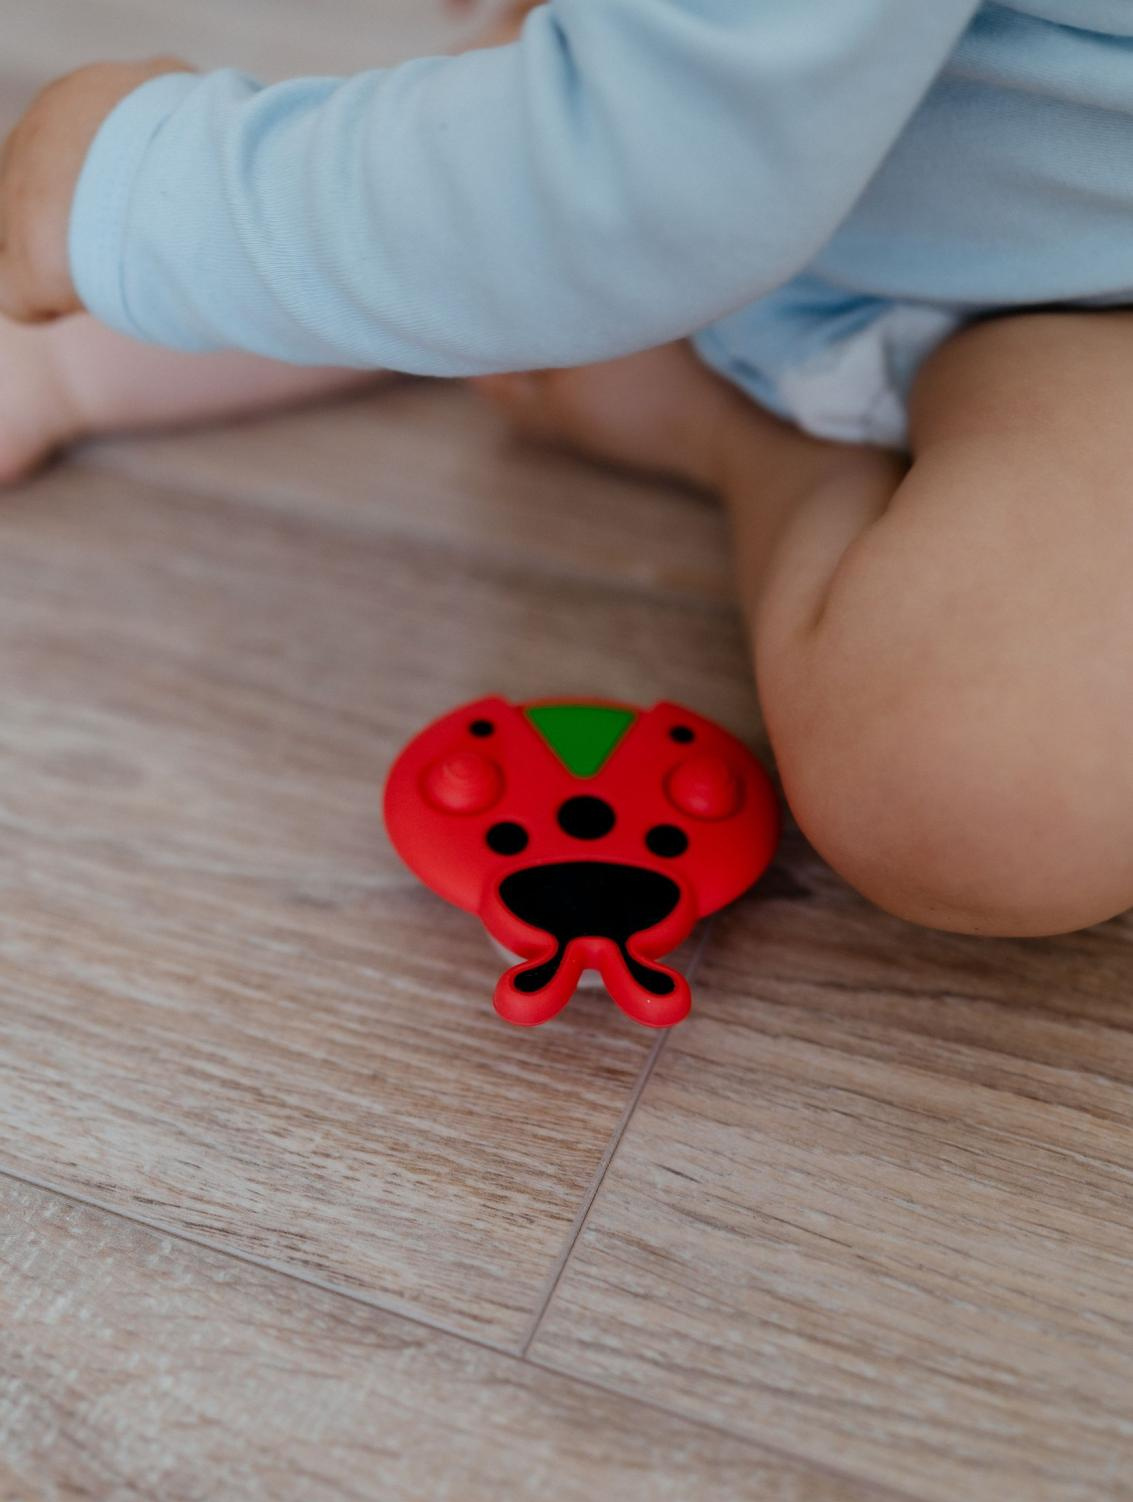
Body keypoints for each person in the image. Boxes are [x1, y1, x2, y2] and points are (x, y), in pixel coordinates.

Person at [2, 0, 1132, 938]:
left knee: (989, 785)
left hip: (1084, 296)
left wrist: (141, 197)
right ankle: (72, 353)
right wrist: (62, 354)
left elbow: (619, 186)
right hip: (752, 157)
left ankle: (746, 435)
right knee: (480, 166)